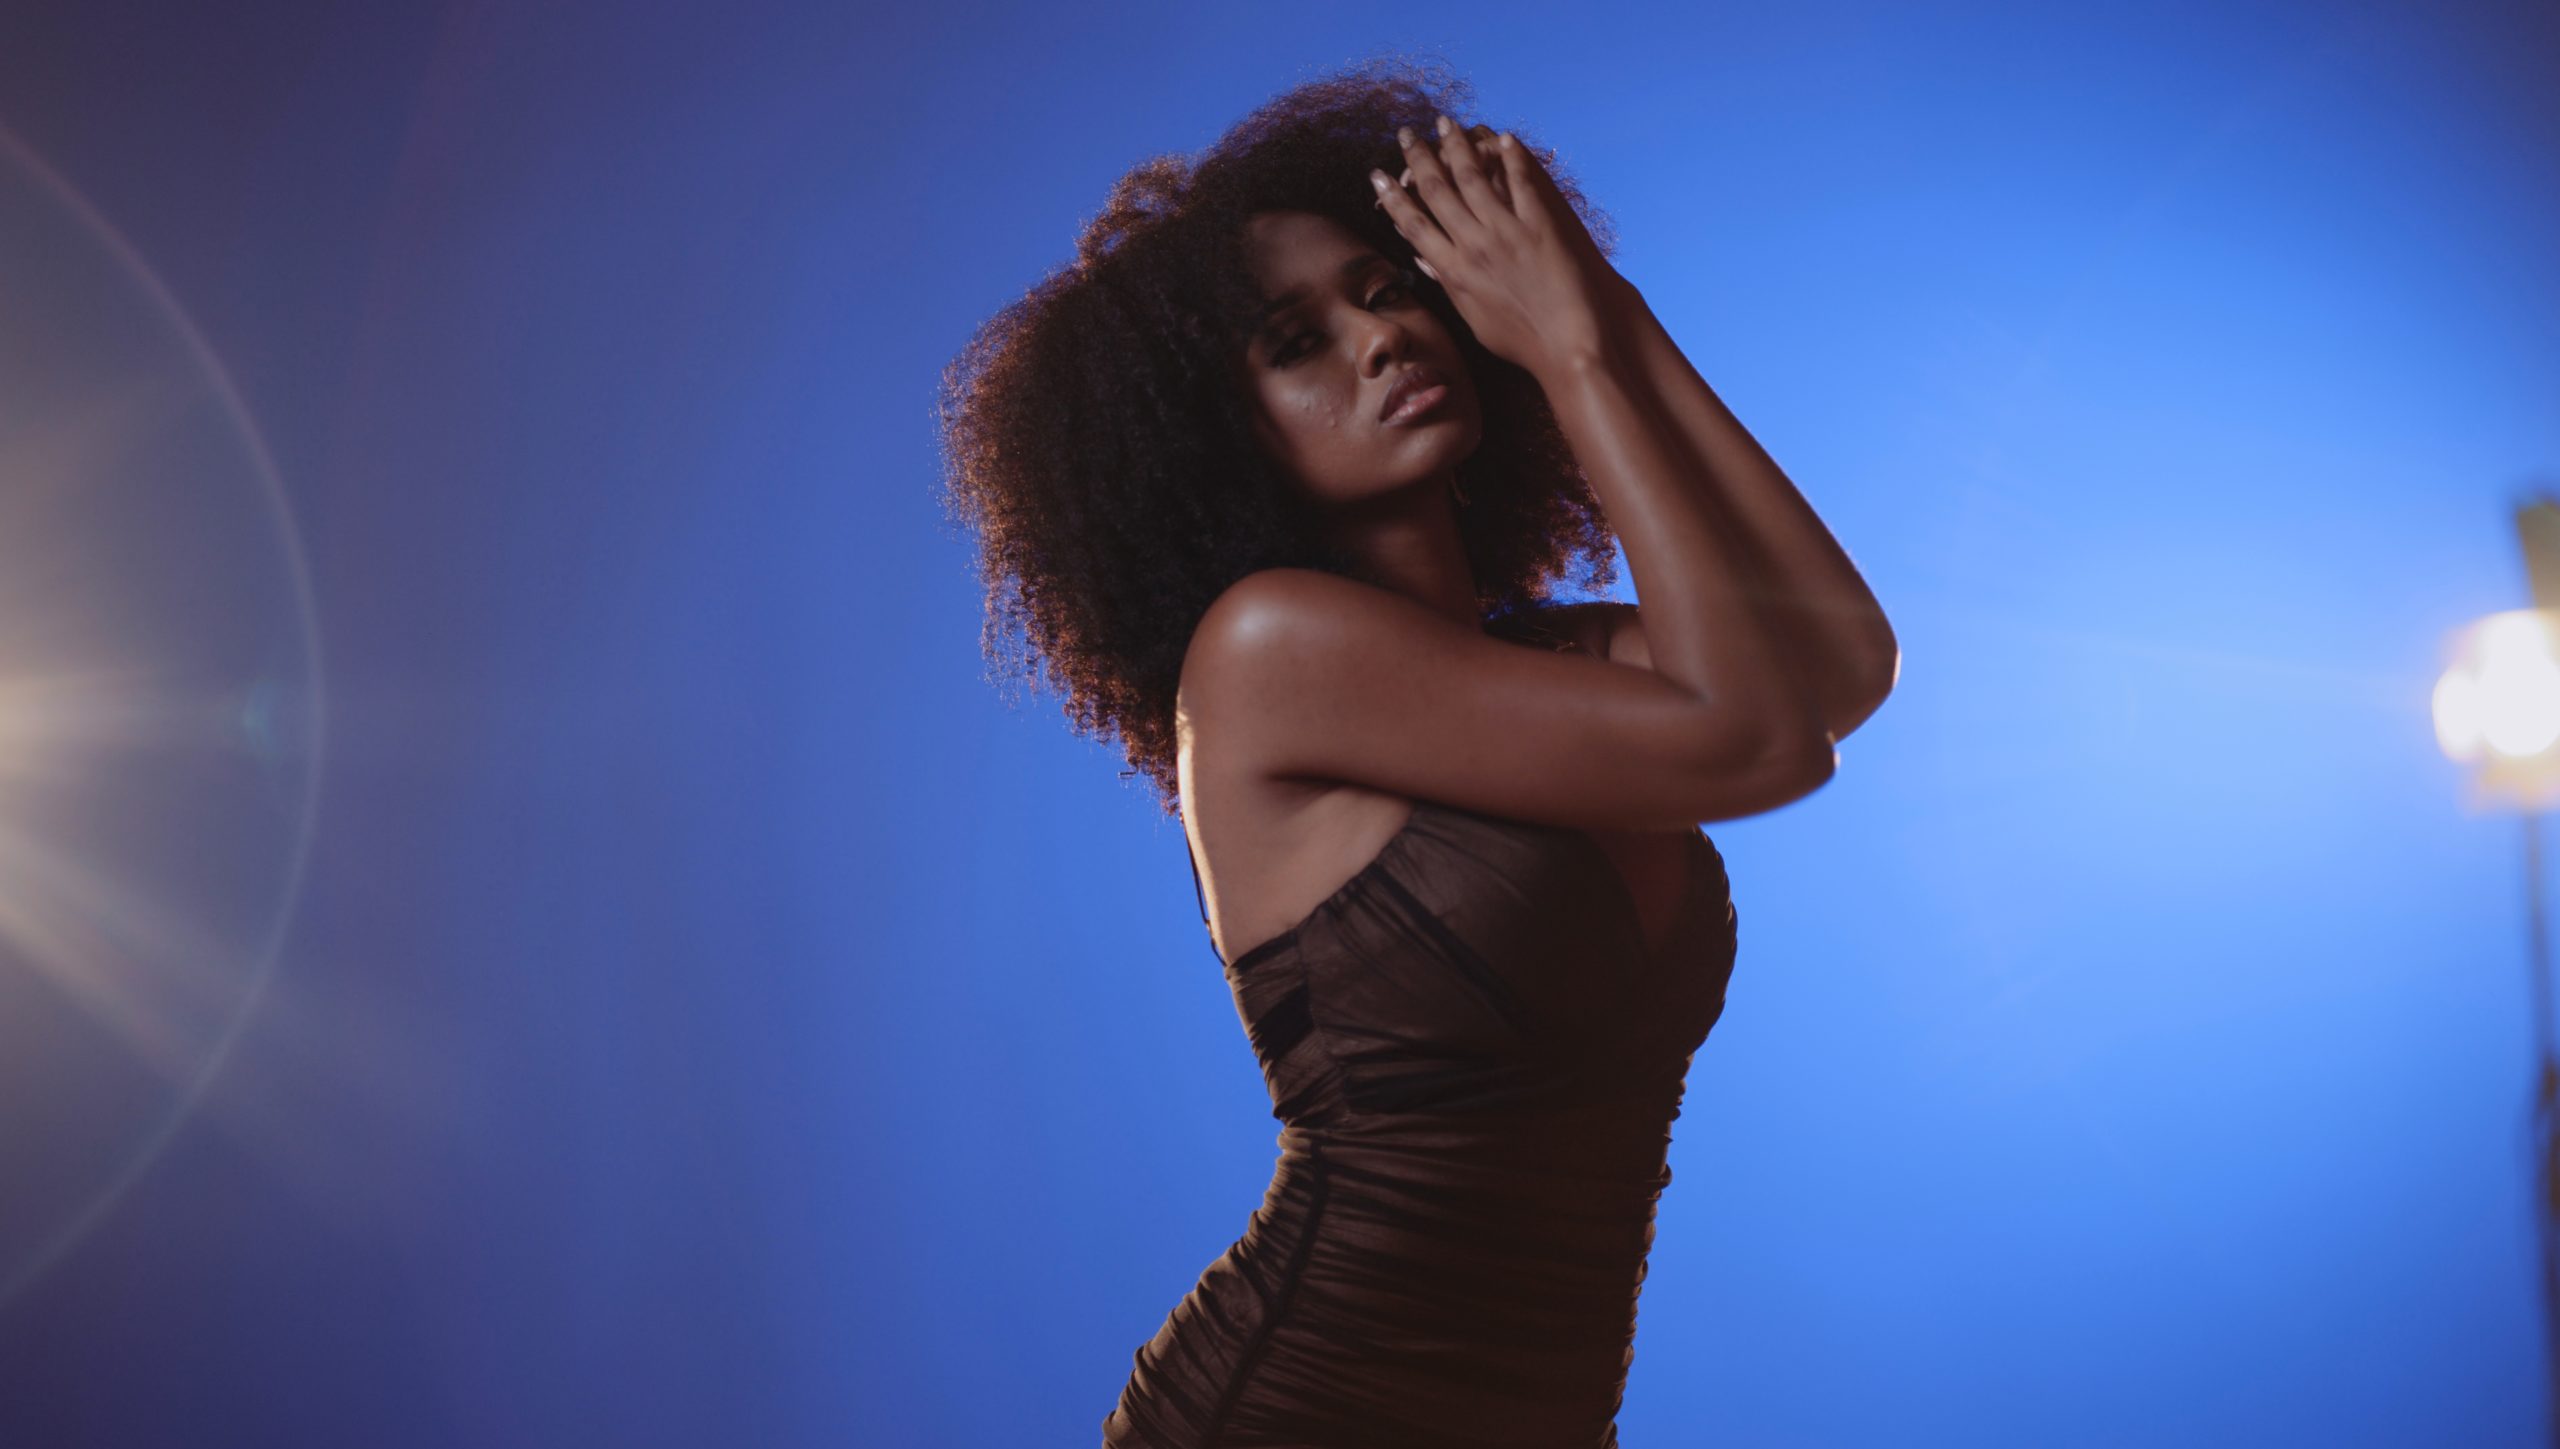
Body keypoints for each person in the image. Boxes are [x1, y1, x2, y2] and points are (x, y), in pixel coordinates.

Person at [935, 54, 1896, 1449]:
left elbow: (1838, 670)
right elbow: (1759, 742)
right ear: (1218, 440)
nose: (1380, 339)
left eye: (1386, 290)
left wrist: (1608, 321)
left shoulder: (1541, 669)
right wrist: (1573, 359)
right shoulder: (1268, 653)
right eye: (1296, 343)